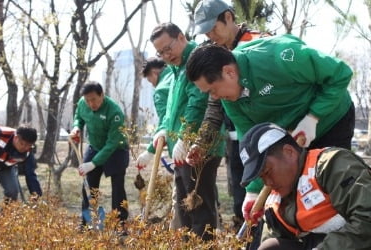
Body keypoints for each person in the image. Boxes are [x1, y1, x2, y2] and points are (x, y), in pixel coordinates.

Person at [186, 34, 355, 237]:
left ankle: (345, 236)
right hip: (291, 136)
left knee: (332, 184)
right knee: (296, 191)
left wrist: (313, 117)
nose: (213, 97)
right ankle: (304, 237)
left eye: (212, 90)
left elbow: (340, 73)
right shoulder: (230, 100)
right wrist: (253, 190)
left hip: (330, 120)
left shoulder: (279, 56)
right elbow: (250, 140)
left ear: (229, 72)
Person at [190, 0, 271, 231]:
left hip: (268, 134)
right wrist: (202, 141)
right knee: (241, 195)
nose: (211, 35)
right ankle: (246, 236)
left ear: (228, 17)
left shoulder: (259, 43)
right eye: (206, 32)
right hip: (237, 138)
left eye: (213, 28)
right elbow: (213, 106)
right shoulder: (214, 56)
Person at [238, 122, 371, 250]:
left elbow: (366, 218)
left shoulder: (331, 165)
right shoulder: (275, 204)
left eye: (267, 172)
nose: (268, 183)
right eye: (262, 178)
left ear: (289, 152)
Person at [149, 22, 224, 240]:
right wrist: (163, 132)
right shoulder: (174, 70)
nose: (165, 55)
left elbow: (197, 104)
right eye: (160, 52)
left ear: (181, 37)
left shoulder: (196, 61)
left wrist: (185, 137)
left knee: (199, 208)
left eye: (168, 48)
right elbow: (171, 112)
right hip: (179, 149)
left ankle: (203, 245)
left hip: (199, 147)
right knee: (184, 209)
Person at [70, 81, 129, 230]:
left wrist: (93, 163)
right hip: (95, 147)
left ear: (102, 95)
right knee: (88, 186)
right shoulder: (83, 103)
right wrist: (77, 127)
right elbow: (79, 116)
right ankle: (86, 222)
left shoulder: (114, 112)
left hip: (116, 150)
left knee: (117, 189)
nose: (91, 104)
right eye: (88, 100)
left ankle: (120, 224)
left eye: (94, 100)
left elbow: (112, 143)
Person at [135, 57, 172, 169]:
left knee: (188, 185)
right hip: (211, 141)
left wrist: (149, 151)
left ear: (154, 73)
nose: (152, 85)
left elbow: (165, 120)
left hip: (185, 145)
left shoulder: (161, 89)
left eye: (150, 80)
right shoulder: (177, 74)